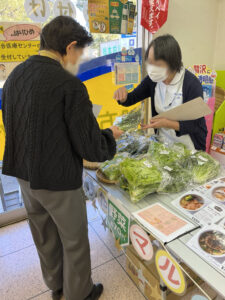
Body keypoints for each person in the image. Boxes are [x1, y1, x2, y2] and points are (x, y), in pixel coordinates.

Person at [2, 16, 123, 300]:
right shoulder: (69, 85)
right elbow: (90, 147)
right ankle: (79, 293)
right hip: (57, 179)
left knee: (43, 234)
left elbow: (14, 124)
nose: (79, 59)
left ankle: (56, 285)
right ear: (70, 47)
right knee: (74, 240)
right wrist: (109, 135)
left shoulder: (16, 76)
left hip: (24, 174)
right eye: (80, 52)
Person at [114, 34, 207, 151]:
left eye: (157, 64)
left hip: (189, 145)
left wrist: (167, 123)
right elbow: (132, 98)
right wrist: (123, 96)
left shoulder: (191, 84)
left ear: (172, 62)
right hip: (164, 144)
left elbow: (195, 125)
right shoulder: (153, 80)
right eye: (149, 63)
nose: (152, 69)